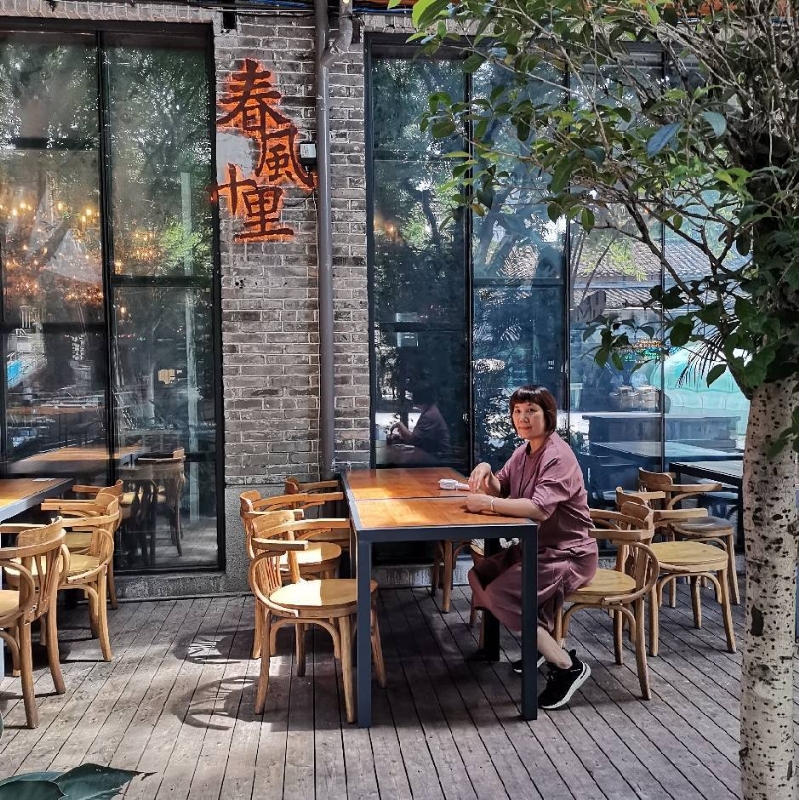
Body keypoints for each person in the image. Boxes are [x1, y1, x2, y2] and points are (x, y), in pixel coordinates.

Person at [466, 385, 597, 710]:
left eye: (531, 411)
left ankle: (566, 666)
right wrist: (486, 470)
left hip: (568, 554)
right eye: (518, 411)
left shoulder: (557, 455)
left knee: (502, 594)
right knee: (481, 574)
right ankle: (541, 645)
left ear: (547, 415)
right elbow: (502, 486)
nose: (523, 418)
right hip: (536, 548)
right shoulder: (523, 451)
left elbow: (538, 509)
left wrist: (488, 504)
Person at [390, 384, 450, 455]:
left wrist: (400, 425)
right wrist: (402, 437)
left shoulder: (429, 415)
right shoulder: (431, 411)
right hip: (434, 453)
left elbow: (413, 440)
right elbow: (419, 438)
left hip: (438, 456)